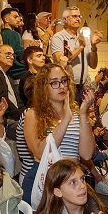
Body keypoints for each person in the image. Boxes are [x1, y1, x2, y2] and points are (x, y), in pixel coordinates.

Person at [15, 64, 94, 204]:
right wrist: (64, 120)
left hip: (71, 182)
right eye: (55, 83)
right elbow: (40, 152)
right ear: (43, 87)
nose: (62, 86)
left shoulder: (77, 114)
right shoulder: (32, 114)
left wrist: (83, 115)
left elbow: (86, 154)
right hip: (44, 181)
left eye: (64, 81)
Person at [50, 6, 102, 101]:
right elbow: (61, 61)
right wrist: (81, 47)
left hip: (83, 87)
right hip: (67, 86)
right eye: (74, 16)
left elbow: (93, 65)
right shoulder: (58, 38)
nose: (78, 19)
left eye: (79, 16)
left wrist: (94, 47)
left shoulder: (84, 38)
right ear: (65, 20)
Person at [0, 7, 26, 80]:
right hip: (19, 72)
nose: (18, 19)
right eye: (15, 17)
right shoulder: (14, 34)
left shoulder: (1, 33)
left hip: (8, 72)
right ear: (6, 19)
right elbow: (20, 54)